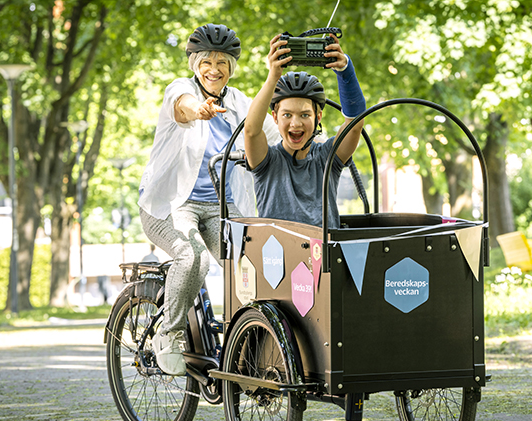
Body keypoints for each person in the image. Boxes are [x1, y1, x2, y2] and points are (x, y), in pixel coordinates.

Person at [138, 24, 279, 376]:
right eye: (206, 61)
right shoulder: (181, 90)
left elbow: (274, 135)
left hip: (220, 208)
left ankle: (244, 340)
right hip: (170, 206)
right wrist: (198, 110)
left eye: (222, 62)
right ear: (194, 63)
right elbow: (182, 108)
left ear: (232, 68)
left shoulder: (240, 103)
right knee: (193, 258)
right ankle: (168, 334)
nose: (214, 69)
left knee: (253, 265)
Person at [243, 33, 366, 228]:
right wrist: (273, 76)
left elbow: (354, 126)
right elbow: (251, 131)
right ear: (274, 117)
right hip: (278, 255)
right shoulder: (266, 161)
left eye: (305, 115)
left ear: (318, 118)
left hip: (323, 254)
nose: (296, 124)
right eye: (287, 115)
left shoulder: (327, 157)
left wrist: (345, 71)